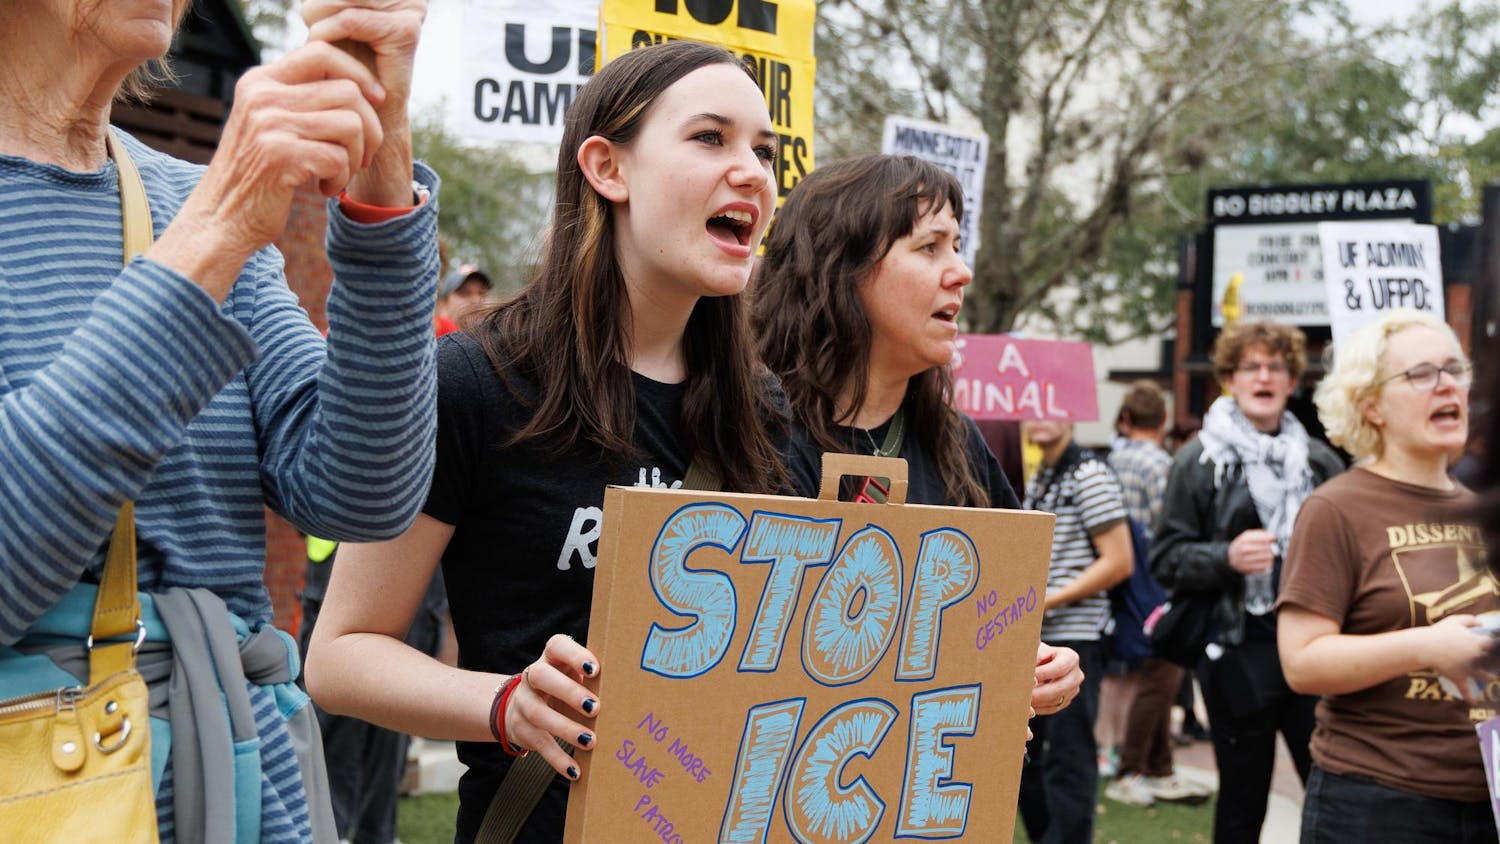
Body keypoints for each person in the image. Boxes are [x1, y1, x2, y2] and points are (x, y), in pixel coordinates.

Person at [305, 41, 789, 843]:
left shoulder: (767, 412)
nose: (753, 173)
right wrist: (505, 705)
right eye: (711, 138)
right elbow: (340, 654)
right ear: (607, 168)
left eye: (764, 152)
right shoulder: (474, 381)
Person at [0, 1, 437, 841]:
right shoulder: (213, 210)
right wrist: (218, 229)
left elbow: (360, 493)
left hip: (247, 792)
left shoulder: (179, 193)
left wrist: (382, 169)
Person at [750, 152, 1086, 735]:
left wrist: (1046, 668)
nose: (960, 271)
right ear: (840, 267)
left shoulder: (961, 444)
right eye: (930, 248)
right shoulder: (742, 430)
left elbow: (1004, 628)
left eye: (956, 247)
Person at [1278, 310, 1497, 843]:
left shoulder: (1483, 511)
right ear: (1370, 405)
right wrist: (1428, 646)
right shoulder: (1336, 508)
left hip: (1485, 795)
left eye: (1454, 369)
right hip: (1376, 803)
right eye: (1421, 374)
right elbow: (1302, 663)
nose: (1447, 384)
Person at [1151, 320, 1344, 844]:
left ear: (1292, 380)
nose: (1264, 376)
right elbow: (1164, 558)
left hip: (1313, 648)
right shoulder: (1199, 460)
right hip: (1237, 650)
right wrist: (1226, 557)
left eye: (1276, 367)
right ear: (1230, 378)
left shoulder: (1321, 462)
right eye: (1251, 366)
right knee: (1242, 802)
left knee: (1332, 793)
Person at [1016, 419, 1134, 844]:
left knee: (1069, 760)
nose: (1040, 416)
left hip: (1078, 635)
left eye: (1053, 406)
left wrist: (1047, 598)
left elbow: (1119, 561)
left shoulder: (1089, 474)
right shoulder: (1042, 474)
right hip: (1036, 636)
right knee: (1025, 757)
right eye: (1032, 407)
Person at [1103, 381, 1213, 807]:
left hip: (1120, 580)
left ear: (1126, 419)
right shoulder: (1165, 466)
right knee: (1161, 675)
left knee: (1155, 674)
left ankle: (1159, 767)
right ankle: (1131, 768)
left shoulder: (1110, 460)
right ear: (1163, 421)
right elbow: (1169, 530)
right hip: (1158, 582)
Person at [438, 262, 494, 330]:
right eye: (464, 293)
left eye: (483, 293)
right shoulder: (428, 338)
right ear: (443, 306)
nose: (476, 300)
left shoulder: (504, 337)